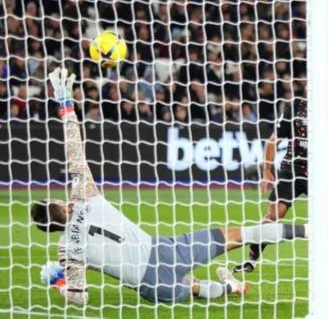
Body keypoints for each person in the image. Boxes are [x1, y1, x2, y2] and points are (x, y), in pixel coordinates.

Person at [33, 68, 309, 304]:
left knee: (191, 286)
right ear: (63, 204)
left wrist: (59, 282)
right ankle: (309, 230)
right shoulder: (84, 196)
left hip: (153, 289)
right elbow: (74, 149)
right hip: (164, 251)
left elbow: (80, 296)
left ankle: (230, 286)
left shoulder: (66, 249)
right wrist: (65, 102)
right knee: (239, 235)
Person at [232, 85, 328, 274]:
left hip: (322, 175)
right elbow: (274, 140)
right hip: (293, 170)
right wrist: (267, 169)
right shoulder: (295, 109)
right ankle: (251, 260)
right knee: (274, 215)